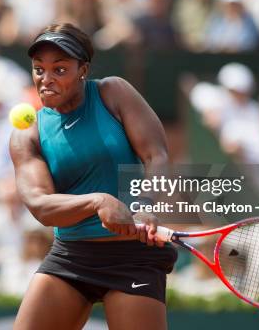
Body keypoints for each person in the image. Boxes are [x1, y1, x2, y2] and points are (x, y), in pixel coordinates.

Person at [10, 23, 177, 330]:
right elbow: (40, 205)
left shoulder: (113, 92)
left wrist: (148, 205)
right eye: (39, 70)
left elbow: (156, 155)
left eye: (59, 70)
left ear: (82, 70)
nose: (46, 80)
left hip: (133, 257)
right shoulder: (27, 135)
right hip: (72, 255)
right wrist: (97, 201)